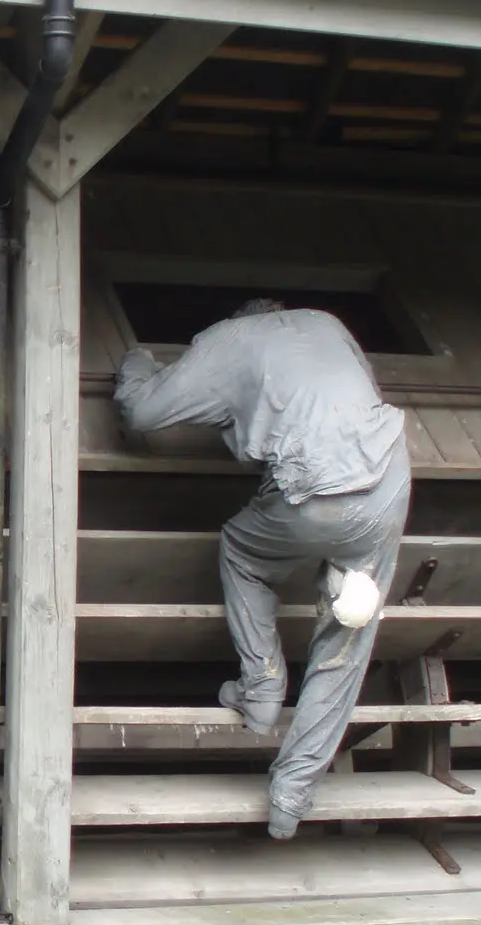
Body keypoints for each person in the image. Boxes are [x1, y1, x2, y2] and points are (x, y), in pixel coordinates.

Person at [114, 298, 410, 840]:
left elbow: (144, 414)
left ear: (240, 317)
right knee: (347, 638)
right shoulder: (326, 321)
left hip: (312, 491)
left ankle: (263, 688)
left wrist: (134, 361)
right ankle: (292, 797)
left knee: (243, 554)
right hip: (387, 480)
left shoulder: (228, 340)